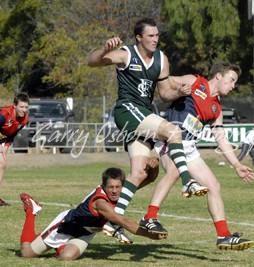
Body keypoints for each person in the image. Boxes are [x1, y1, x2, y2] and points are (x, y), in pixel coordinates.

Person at [87, 18, 208, 242]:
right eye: (151, 36)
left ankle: (115, 220)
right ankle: (188, 181)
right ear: (139, 38)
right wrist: (104, 49)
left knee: (140, 172)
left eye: (157, 35)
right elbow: (92, 62)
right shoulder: (125, 54)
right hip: (127, 110)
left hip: (143, 114)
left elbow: (164, 94)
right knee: (174, 132)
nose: (155, 39)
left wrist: (180, 93)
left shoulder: (162, 59)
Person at [138, 61, 254, 250]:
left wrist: (237, 165)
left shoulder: (216, 110)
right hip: (170, 138)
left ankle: (224, 236)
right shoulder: (194, 81)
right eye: (232, 80)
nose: (233, 86)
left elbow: (221, 139)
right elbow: (164, 81)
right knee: (174, 171)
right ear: (218, 76)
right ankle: (149, 218)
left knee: (213, 186)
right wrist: (176, 88)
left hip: (189, 147)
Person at [19, 167, 167, 261]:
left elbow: (149, 178)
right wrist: (150, 235)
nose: (115, 191)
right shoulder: (100, 202)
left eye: (118, 187)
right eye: (110, 187)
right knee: (27, 253)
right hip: (67, 226)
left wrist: (154, 165)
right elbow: (123, 222)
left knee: (66, 258)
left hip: (86, 232)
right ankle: (32, 211)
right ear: (103, 186)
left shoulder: (120, 191)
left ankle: (56, 245)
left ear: (122, 185)